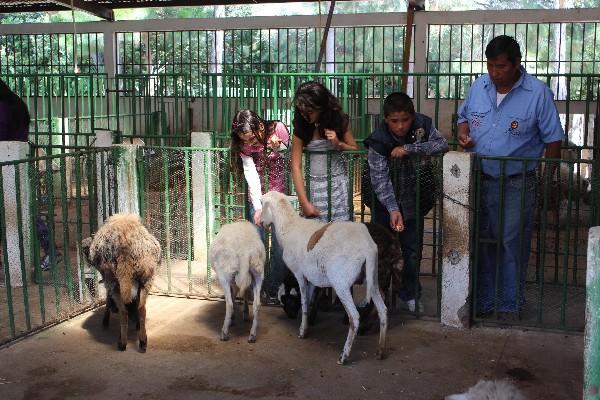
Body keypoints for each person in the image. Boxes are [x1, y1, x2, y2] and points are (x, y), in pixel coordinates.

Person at [457, 35, 564, 317]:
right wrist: (464, 135)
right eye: (490, 65)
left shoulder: (538, 93)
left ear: (517, 64)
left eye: (501, 66)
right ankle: (483, 300)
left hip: (517, 181)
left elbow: (553, 139)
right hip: (478, 177)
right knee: (480, 238)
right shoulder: (479, 86)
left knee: (510, 242)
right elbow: (463, 118)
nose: (494, 72)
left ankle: (508, 303)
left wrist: (547, 177)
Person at [363, 92, 448, 313]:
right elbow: (379, 178)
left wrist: (410, 149)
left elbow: (442, 144)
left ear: (413, 116)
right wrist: (392, 208)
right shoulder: (378, 139)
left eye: (405, 120)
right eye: (394, 121)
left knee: (412, 248)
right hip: (382, 201)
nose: (400, 126)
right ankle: (377, 295)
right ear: (385, 119)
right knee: (380, 249)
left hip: (415, 197)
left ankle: (410, 292)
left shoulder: (423, 125)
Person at [0, 78, 61, 272]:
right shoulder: (16, 102)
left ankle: (51, 252)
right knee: (24, 209)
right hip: (18, 160)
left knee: (23, 211)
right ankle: (51, 251)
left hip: (7, 162)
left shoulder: (3, 106)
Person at [230, 109, 290, 302]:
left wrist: (277, 149)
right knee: (256, 244)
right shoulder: (243, 145)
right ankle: (258, 287)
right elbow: (250, 173)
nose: (248, 143)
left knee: (281, 246)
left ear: (260, 126)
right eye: (244, 140)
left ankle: (274, 287)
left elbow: (292, 160)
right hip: (257, 197)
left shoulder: (278, 129)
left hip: (279, 198)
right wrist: (257, 206)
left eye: (251, 138)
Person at [291, 81, 359, 222]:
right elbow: (296, 166)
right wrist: (304, 203)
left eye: (310, 112)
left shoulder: (337, 120)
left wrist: (338, 144)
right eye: (301, 111)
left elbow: (355, 151)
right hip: (314, 186)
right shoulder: (301, 125)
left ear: (322, 107)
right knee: (316, 234)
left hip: (337, 184)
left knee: (341, 231)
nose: (305, 116)